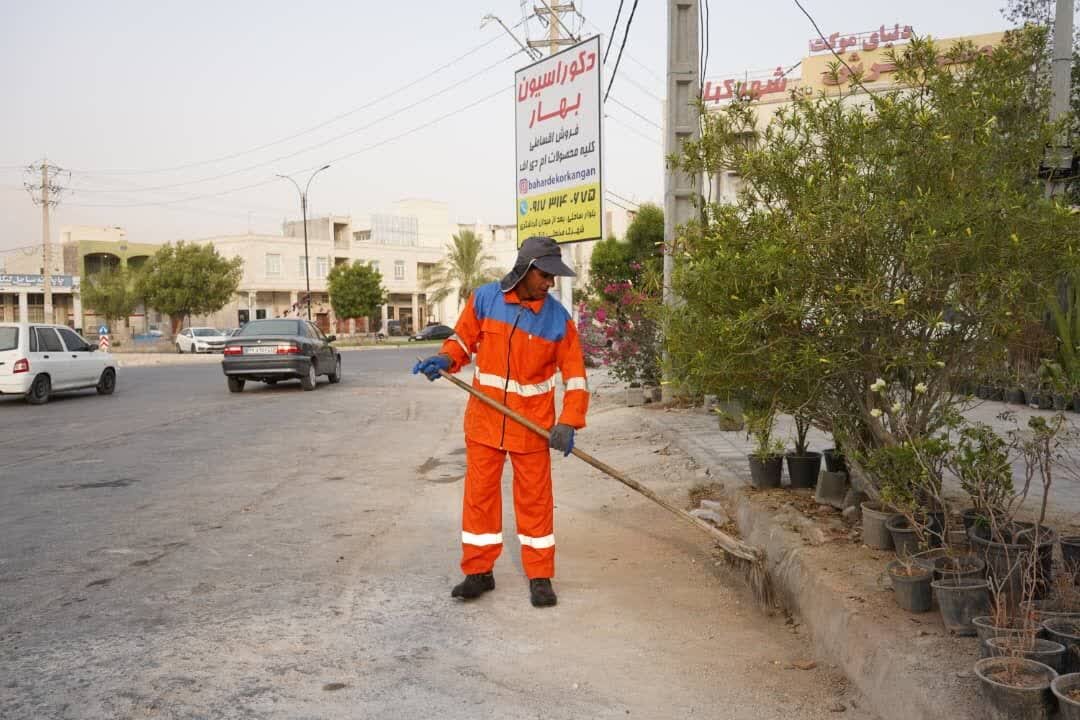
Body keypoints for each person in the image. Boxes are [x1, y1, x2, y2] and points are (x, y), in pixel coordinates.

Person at [412, 236, 589, 608]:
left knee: (536, 502)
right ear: (524, 269)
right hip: (486, 421)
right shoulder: (485, 299)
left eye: (554, 277)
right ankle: (479, 571)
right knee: (479, 499)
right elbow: (462, 341)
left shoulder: (559, 321)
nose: (550, 283)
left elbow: (575, 377)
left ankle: (540, 577)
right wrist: (445, 359)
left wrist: (569, 422)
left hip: (533, 427)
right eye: (545, 274)